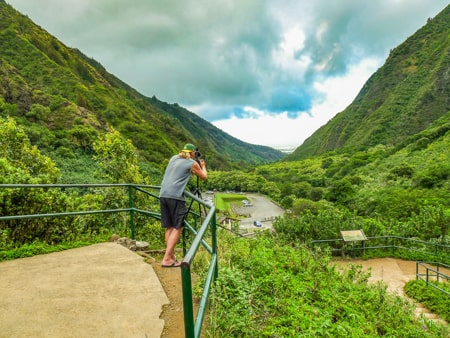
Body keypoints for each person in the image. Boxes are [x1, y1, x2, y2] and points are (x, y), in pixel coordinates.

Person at [159, 143, 207, 267]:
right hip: (175, 196)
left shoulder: (173, 158)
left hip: (163, 194)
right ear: (192, 153)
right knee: (178, 227)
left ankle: (170, 256)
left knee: (169, 226)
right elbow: (204, 177)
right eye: (194, 154)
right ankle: (166, 259)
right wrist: (202, 166)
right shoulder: (192, 163)